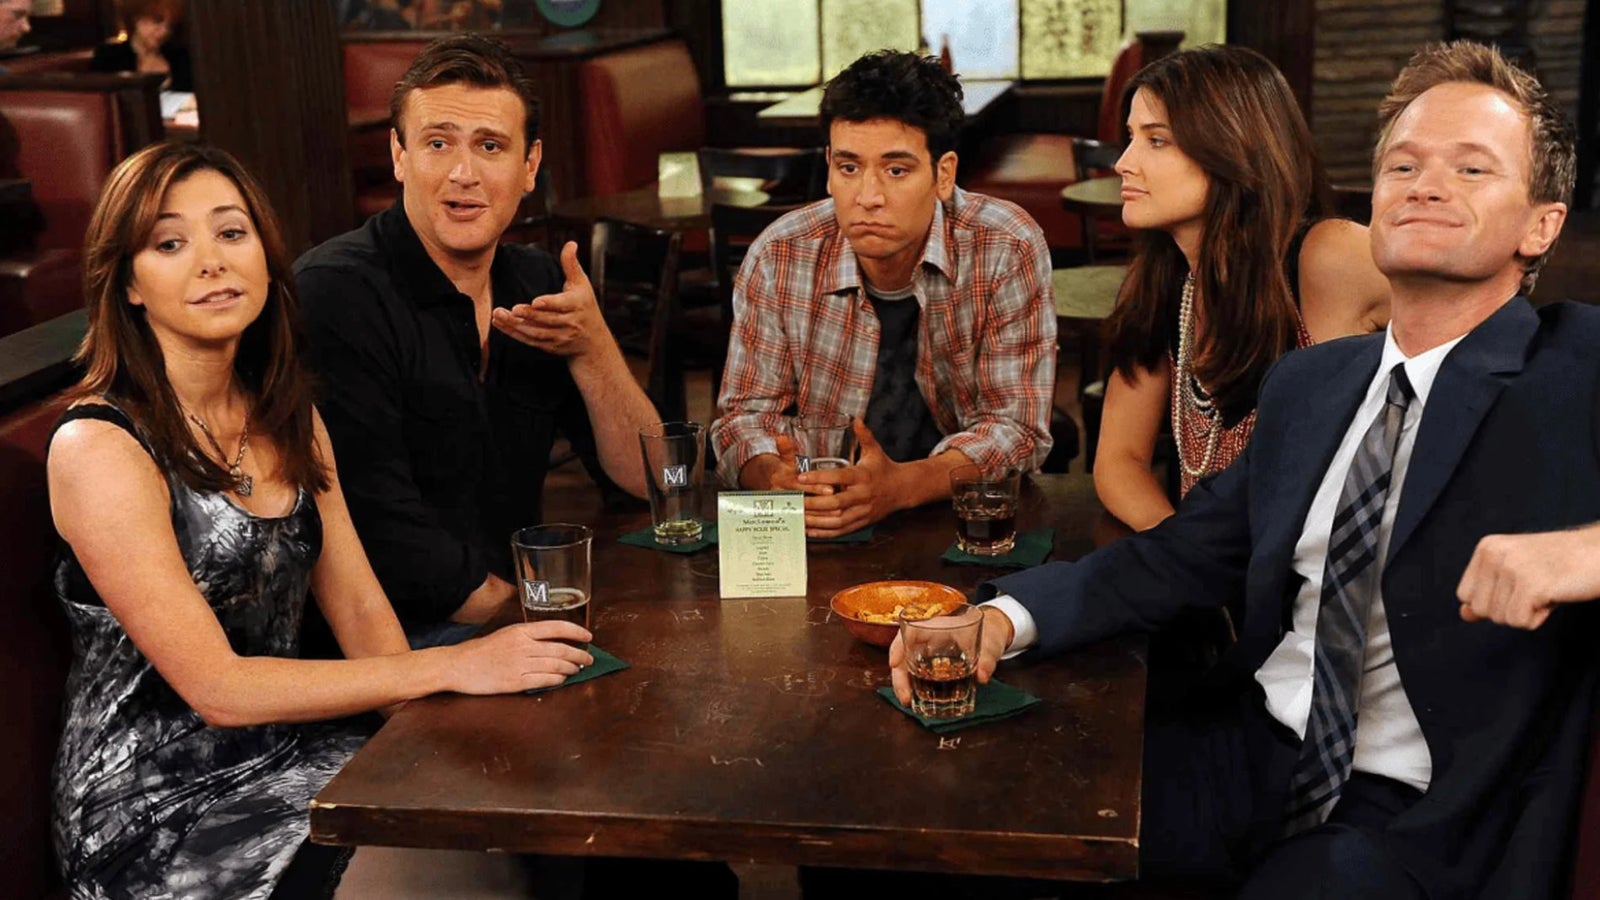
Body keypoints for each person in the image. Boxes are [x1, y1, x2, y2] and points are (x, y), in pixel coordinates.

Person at [890, 41, 1589, 899]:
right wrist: (1002, 619)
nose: (1426, 185)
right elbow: (1181, 553)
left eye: (1472, 169)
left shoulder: (1572, 365)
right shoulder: (1313, 385)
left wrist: (1586, 552)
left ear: (1541, 224)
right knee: (969, 812)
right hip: (1249, 746)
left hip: (1416, 815)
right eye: (1403, 165)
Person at [47, 141, 593, 900]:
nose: (211, 262)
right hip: (155, 810)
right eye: (170, 244)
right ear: (129, 284)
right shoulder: (99, 445)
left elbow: (364, 614)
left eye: (231, 233)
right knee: (464, 877)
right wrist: (455, 666)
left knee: (540, 816)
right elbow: (218, 688)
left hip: (299, 753)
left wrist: (471, 723)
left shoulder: (289, 418)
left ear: (266, 259)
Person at [295, 34, 659, 649]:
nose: (463, 175)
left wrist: (593, 347)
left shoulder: (537, 281)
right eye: (438, 143)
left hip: (506, 619)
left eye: (490, 146)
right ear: (399, 155)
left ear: (530, 166)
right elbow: (380, 528)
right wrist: (524, 617)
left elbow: (645, 482)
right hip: (384, 642)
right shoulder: (334, 292)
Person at [710, 50, 1056, 539]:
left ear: (943, 175)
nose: (868, 197)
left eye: (896, 171)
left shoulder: (1005, 245)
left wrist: (899, 487)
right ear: (828, 166)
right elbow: (742, 420)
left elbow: (1016, 429)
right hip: (823, 521)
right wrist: (774, 477)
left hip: (959, 516)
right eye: (849, 168)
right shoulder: (780, 254)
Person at [1095, 45, 1391, 532]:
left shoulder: (1327, 254)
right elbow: (1119, 459)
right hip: (1212, 567)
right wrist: (1187, 551)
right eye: (1131, 138)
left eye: (1157, 140)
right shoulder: (1163, 281)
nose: (1124, 163)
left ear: (1231, 147)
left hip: (1319, 569)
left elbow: (1476, 329)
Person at [90, 0, 194, 93]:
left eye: (170, 25)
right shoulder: (109, 56)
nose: (165, 31)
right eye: (157, 20)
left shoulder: (181, 56)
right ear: (136, 18)